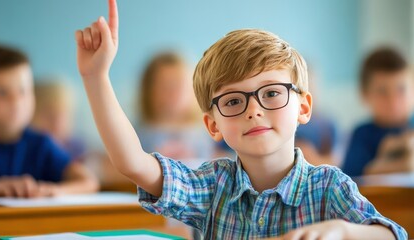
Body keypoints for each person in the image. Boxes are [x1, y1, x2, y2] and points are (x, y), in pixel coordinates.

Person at [74, 1, 407, 239]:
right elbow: (133, 162)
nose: (254, 110)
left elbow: (393, 234)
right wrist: (96, 77)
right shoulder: (210, 187)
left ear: (304, 108)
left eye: (272, 93)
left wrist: (344, 231)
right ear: (213, 125)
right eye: (234, 100)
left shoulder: (329, 188)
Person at [0, 45, 98, 198]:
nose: (16, 102)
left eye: (23, 90)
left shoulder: (41, 144)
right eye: (2, 92)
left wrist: (55, 191)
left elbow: (89, 182)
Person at [343, 48, 414, 177]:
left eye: (401, 89)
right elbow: (353, 177)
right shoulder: (362, 134)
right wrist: (405, 163)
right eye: (382, 92)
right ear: (365, 94)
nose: (393, 101)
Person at [136, 51, 215, 167]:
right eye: (165, 86)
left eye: (179, 85)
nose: (173, 93)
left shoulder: (208, 131)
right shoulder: (138, 133)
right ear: (149, 91)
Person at [32, 80, 87, 161]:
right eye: (49, 115)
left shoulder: (79, 151)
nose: (57, 123)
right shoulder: (24, 151)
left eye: (63, 115)